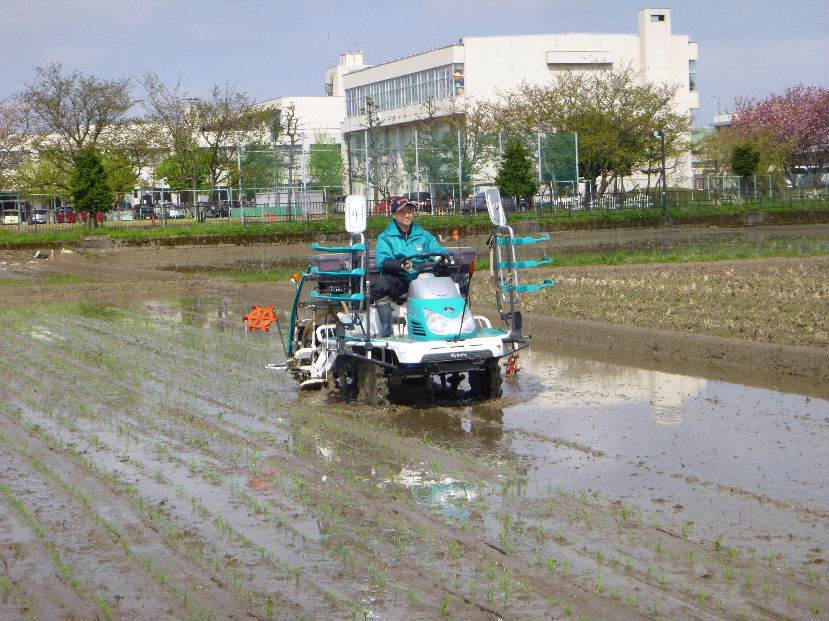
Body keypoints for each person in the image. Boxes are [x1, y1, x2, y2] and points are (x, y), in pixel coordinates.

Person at [373, 198, 446, 336]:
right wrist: (401, 265)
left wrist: (443, 258)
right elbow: (384, 261)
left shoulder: (424, 235)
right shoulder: (385, 237)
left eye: (410, 211)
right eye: (403, 212)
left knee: (456, 279)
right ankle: (387, 327)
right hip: (401, 278)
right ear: (394, 214)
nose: (407, 215)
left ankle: (452, 321)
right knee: (380, 286)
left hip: (425, 277)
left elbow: (437, 250)